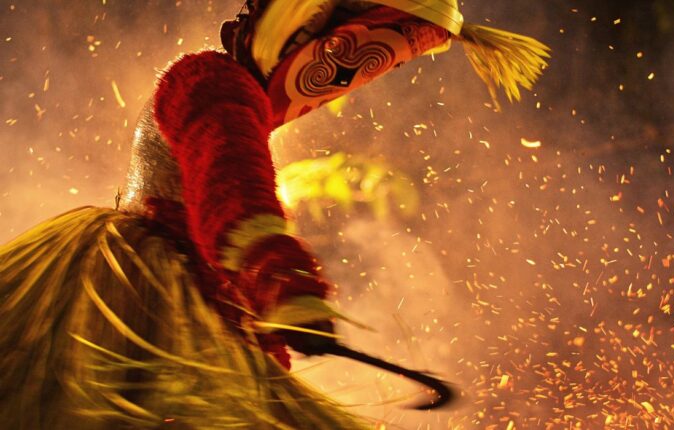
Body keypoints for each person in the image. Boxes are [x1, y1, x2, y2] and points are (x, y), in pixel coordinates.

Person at [0, 1, 548, 428]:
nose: (345, 85)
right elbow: (231, 190)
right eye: (349, 65)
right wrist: (287, 291)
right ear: (309, 31)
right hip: (153, 291)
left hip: (178, 283)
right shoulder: (211, 82)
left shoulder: (224, 86)